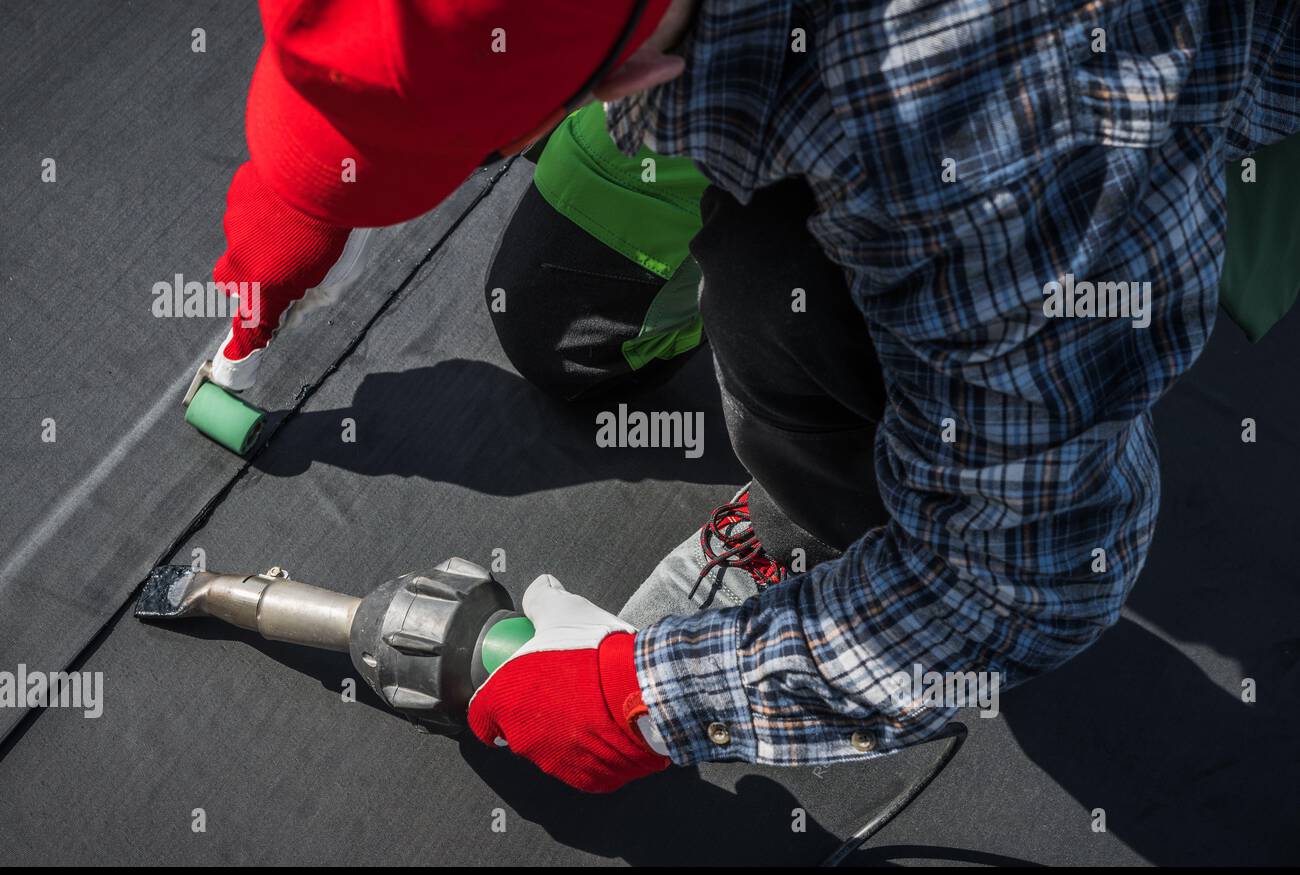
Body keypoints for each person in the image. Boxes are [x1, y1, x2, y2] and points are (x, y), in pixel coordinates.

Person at [208, 0, 1300, 792]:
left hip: (1101, 110)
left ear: (629, 77)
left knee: (782, 280)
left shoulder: (990, 148)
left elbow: (1021, 584)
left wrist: (646, 700)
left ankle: (822, 523)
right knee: (557, 311)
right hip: (749, 40)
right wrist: (313, 183)